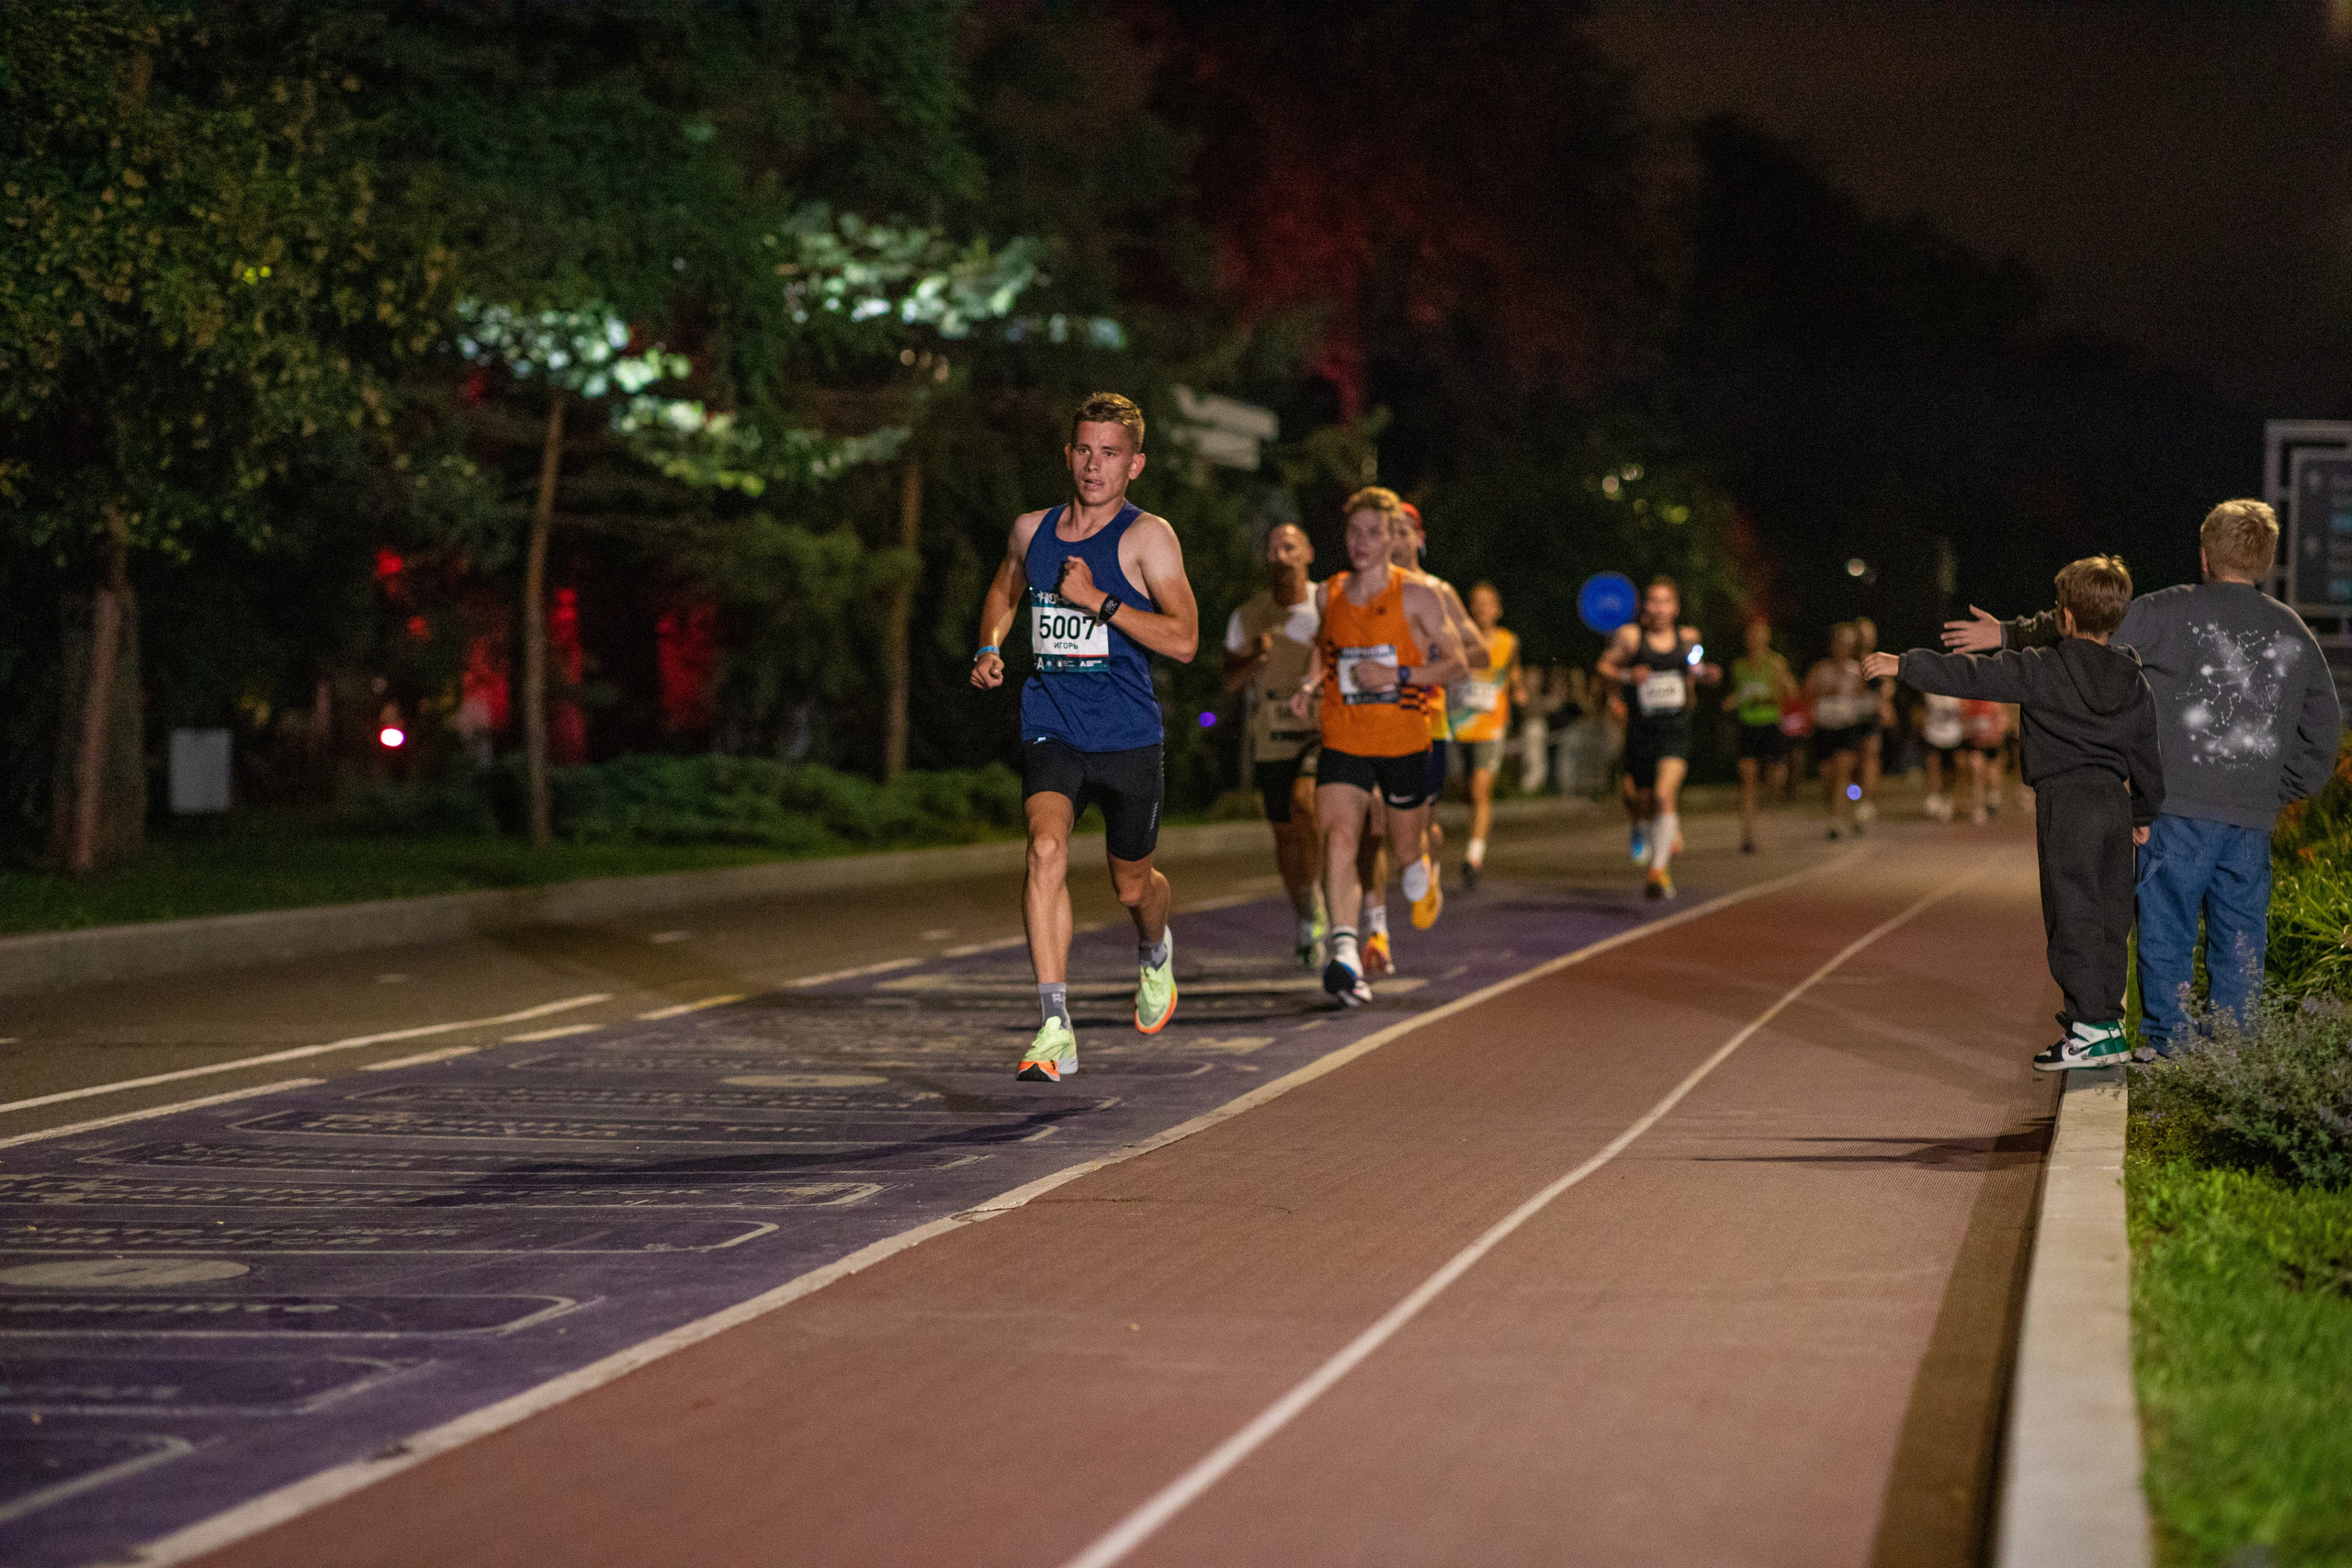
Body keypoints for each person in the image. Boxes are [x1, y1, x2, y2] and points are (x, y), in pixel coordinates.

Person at [1943, 500, 2341, 1056]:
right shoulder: (2292, 630)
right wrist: (2280, 789)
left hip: (2178, 811)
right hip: (2250, 819)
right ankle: (2235, 1053)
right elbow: (2323, 726)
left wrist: (2009, 633)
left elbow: (2088, 628)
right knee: (2242, 939)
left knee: (2167, 933)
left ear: (2203, 555)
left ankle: (2168, 1050)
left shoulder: (2169, 611)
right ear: (2267, 563)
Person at [970, 392, 1201, 1083]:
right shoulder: (1031, 530)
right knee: (1044, 849)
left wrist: (1098, 599)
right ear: (1068, 452)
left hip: (1128, 734)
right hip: (1052, 723)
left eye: (1109, 454)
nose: (1093, 465)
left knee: (1133, 886)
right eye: (1083, 449)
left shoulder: (1147, 537)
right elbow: (1006, 590)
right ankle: (1054, 1023)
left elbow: (1185, 640)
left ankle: (1155, 950)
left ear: (1135, 464)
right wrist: (989, 644)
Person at [1872, 556, 2164, 1069]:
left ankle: (2087, 1027)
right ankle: (2108, 1024)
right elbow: (2146, 751)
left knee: (2070, 911)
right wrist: (2143, 809)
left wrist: (1904, 664)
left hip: (2066, 801)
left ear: (2066, 616)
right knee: (2110, 913)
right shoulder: (2132, 677)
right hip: (2114, 803)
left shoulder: (2042, 667)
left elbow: (1972, 676)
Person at [1288, 488, 1469, 1005]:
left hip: (1404, 738)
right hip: (1344, 736)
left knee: (1404, 848)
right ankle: (1344, 953)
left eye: (1372, 532)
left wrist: (1398, 673)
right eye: (1353, 532)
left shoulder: (1418, 595)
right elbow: (1325, 649)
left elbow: (1456, 663)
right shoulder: (1330, 593)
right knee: (1339, 837)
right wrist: (1308, 685)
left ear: (1393, 537)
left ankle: (1421, 867)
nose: (1361, 542)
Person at [1223, 522, 1327, 967]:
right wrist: (1251, 657)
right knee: (1284, 833)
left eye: (1290, 546)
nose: (1281, 554)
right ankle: (1307, 913)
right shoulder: (1248, 616)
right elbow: (1228, 681)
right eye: (1273, 548)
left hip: (1323, 731)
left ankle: (1325, 894)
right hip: (1273, 737)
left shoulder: (1329, 604)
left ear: (1308, 554)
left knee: (1307, 805)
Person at [1599, 577, 1720, 898]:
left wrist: (1705, 674)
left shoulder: (1688, 637)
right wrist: (1626, 677)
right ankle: (1643, 828)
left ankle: (1658, 871)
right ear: (1645, 606)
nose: (1659, 608)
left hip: (1675, 728)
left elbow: (1695, 668)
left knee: (1665, 795)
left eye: (1666, 601)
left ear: (1676, 606)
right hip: (1641, 729)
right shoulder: (1631, 637)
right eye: (1653, 601)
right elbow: (1603, 667)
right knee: (1640, 799)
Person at [1451, 581, 1524, 888]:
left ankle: (1474, 856)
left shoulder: (1508, 641)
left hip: (1492, 726)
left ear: (1497, 609)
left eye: (1487, 603)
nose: (1481, 608)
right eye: (1475, 603)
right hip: (1460, 724)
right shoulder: (1459, 639)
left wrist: (1518, 688)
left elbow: (1513, 672)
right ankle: (1473, 844)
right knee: (1468, 791)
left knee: (1481, 790)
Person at [1724, 616, 1799, 853]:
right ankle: (1747, 835)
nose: (1756, 639)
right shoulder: (1739, 667)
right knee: (1748, 780)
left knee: (1774, 779)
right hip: (1748, 728)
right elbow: (1735, 696)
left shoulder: (1776, 663)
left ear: (1767, 638)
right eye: (1752, 635)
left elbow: (1791, 694)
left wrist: (1784, 682)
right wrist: (1732, 702)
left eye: (1761, 635)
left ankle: (1772, 799)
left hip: (1771, 726)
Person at [1805, 621, 1870, 840]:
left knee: (1843, 772)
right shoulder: (1820, 669)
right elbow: (1806, 694)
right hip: (1824, 728)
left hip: (1846, 728)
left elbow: (1863, 698)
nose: (1843, 648)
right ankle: (1847, 807)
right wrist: (1825, 692)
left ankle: (1836, 822)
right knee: (1827, 777)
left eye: (1848, 644)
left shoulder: (1856, 671)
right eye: (1840, 643)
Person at [1854, 617, 1896, 828]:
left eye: (1869, 633)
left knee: (1870, 755)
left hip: (1870, 716)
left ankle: (1865, 800)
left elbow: (1888, 685)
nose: (1865, 637)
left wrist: (1885, 702)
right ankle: (1852, 795)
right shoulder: (1847, 659)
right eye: (1861, 633)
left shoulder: (1876, 658)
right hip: (1849, 716)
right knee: (1852, 760)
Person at [1958, 698, 2009, 824]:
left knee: (1992, 774)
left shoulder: (1993, 702)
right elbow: (1961, 722)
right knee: (1977, 771)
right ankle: (1978, 807)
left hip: (1991, 744)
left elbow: (2004, 720)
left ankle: (1993, 797)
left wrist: (1996, 733)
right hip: (1975, 745)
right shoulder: (1967, 702)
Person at [1918, 692, 1966, 821]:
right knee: (1933, 764)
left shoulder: (1958, 690)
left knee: (1954, 768)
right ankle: (1934, 796)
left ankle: (1949, 798)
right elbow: (1921, 711)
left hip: (1954, 736)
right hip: (1933, 734)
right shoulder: (1929, 691)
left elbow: (1965, 711)